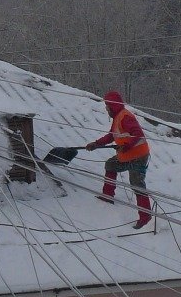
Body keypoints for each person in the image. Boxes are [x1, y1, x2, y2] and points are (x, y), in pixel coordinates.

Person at [43, 91, 152, 229]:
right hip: (126, 155)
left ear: (113, 106)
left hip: (138, 156)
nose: (106, 109)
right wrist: (96, 144)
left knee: (137, 184)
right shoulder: (118, 117)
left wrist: (127, 145)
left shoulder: (125, 117)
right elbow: (111, 136)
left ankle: (145, 217)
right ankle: (108, 196)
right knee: (110, 165)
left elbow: (138, 134)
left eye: (107, 106)